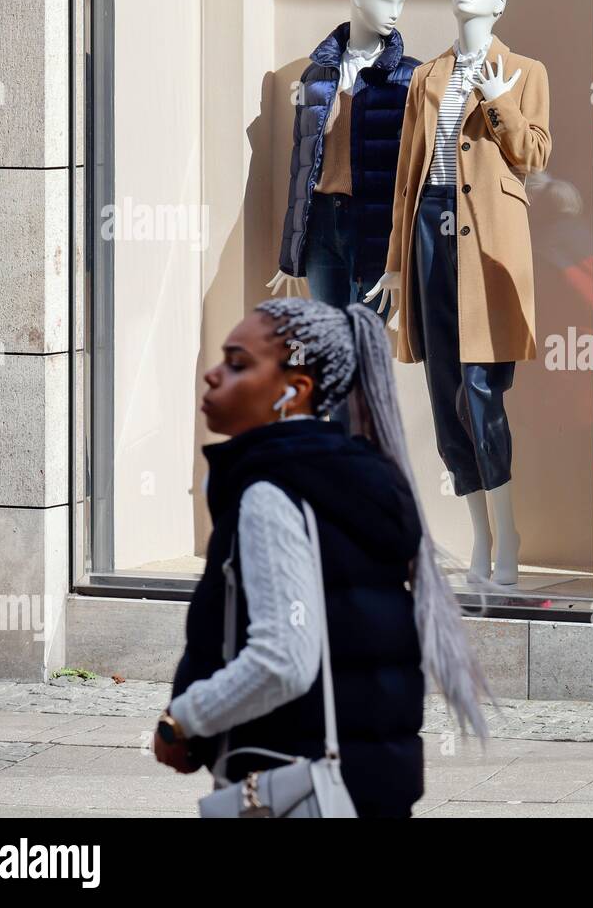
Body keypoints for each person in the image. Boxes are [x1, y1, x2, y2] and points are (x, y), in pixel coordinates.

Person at [153, 297, 491, 818]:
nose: (214, 376)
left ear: (294, 390)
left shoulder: (271, 490)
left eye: (239, 363)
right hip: (370, 785)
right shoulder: (362, 478)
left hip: (293, 781)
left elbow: (282, 660)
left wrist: (183, 720)